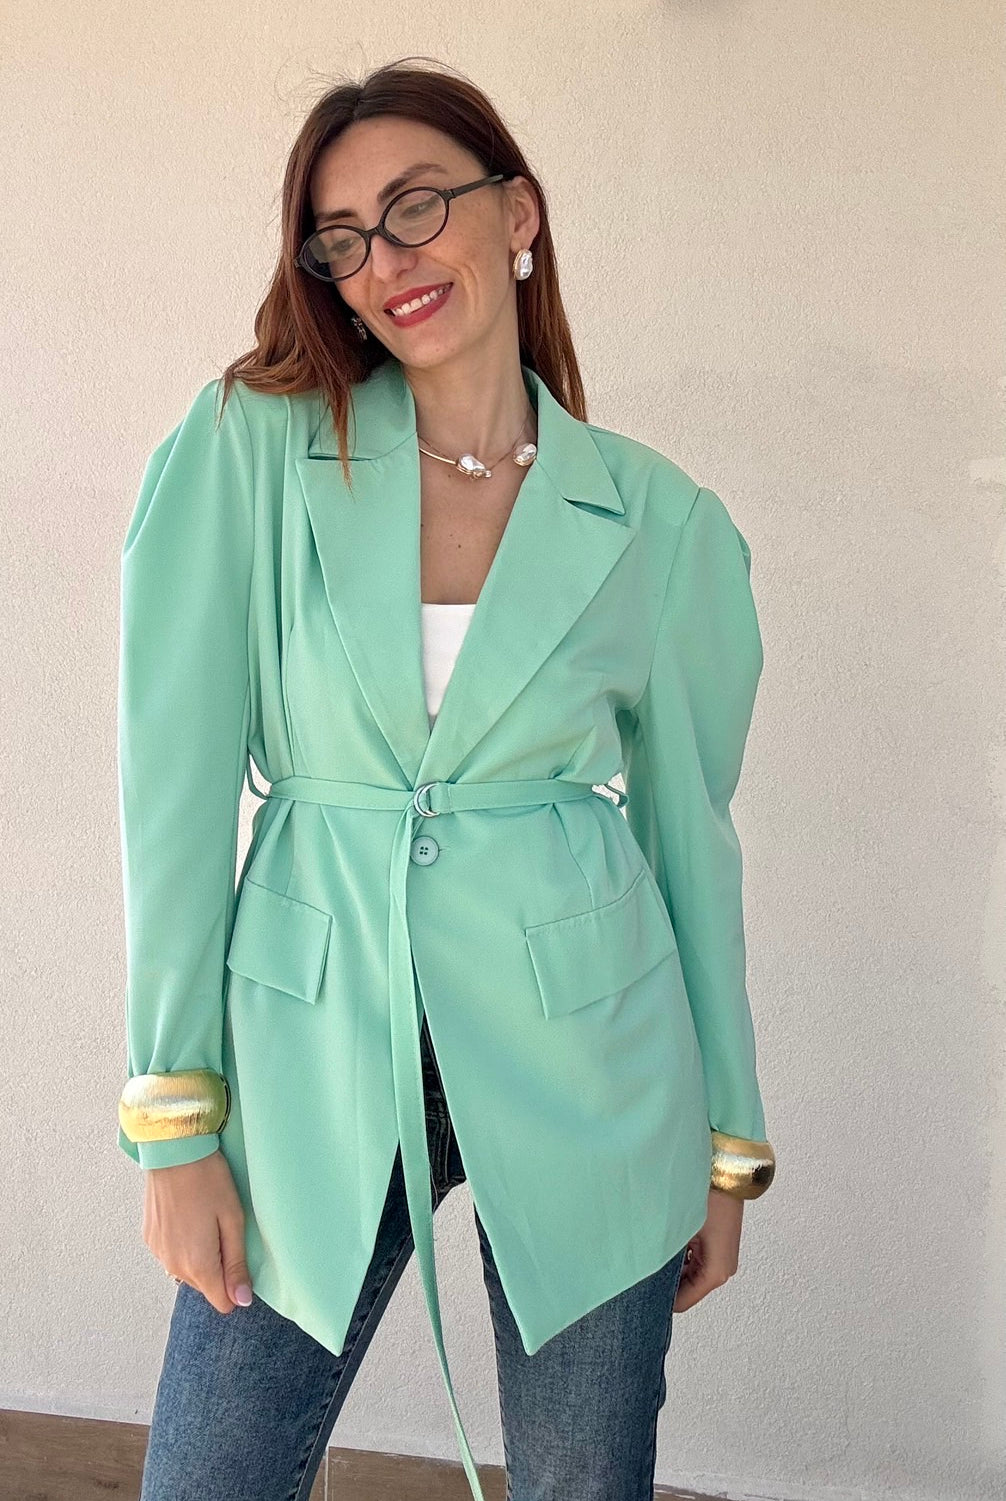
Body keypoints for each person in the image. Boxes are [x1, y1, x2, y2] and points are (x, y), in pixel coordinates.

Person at [116, 56, 776, 1501]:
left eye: (418, 206)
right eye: (343, 238)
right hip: (309, 1040)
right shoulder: (248, 450)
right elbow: (170, 795)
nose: (387, 260)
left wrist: (727, 1140)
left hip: (593, 1056)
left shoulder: (657, 519)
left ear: (517, 213)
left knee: (583, 1481)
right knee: (209, 1474)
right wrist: (174, 1117)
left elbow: (690, 836)